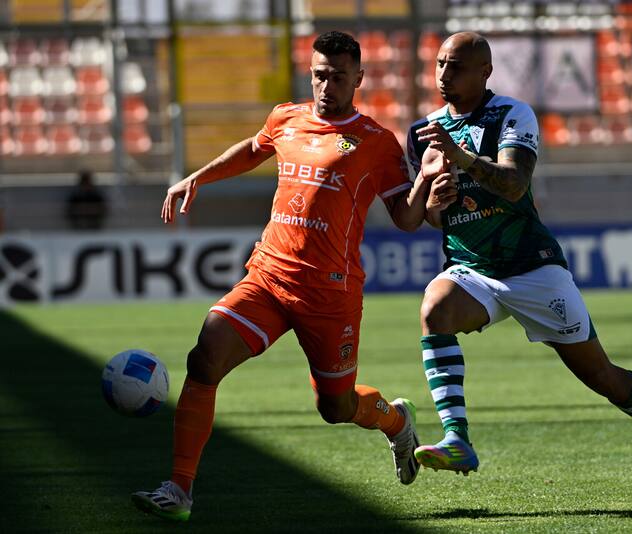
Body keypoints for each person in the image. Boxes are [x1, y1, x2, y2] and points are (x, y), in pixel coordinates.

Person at [132, 31, 433, 521]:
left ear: (359, 78)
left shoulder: (378, 142)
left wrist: (429, 187)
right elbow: (254, 149)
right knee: (205, 358)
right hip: (268, 278)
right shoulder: (286, 118)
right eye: (319, 75)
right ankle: (179, 490)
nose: (327, 85)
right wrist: (197, 177)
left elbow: (405, 217)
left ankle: (396, 421)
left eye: (338, 76)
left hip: (329, 296)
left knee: (334, 408)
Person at [406, 32, 632, 509]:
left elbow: (513, 184)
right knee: (435, 309)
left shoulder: (512, 114)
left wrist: (463, 158)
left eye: (458, 67)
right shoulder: (422, 131)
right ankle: (457, 439)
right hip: (472, 269)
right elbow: (431, 215)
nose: (444, 76)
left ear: (486, 72)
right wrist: (435, 201)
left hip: (533, 268)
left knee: (603, 377)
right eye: (441, 65)